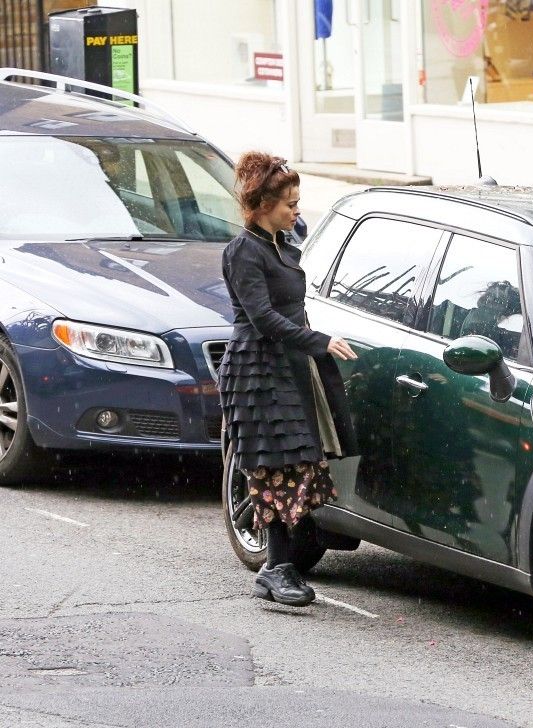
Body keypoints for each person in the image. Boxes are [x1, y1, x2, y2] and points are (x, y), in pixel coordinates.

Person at [217, 152, 357, 607]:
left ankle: (280, 565)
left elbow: (289, 310)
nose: (297, 211)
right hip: (256, 370)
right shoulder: (243, 251)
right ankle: (276, 568)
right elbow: (262, 318)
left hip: (287, 366)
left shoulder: (280, 244)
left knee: (298, 463)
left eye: (298, 203)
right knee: (275, 465)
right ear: (260, 204)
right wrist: (319, 342)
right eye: (289, 204)